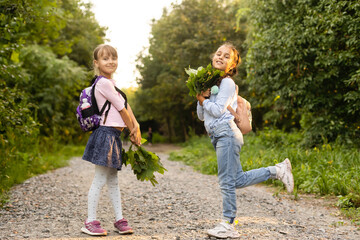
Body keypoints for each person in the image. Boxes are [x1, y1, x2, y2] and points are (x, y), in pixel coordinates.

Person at [196, 43, 294, 239]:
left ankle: (228, 224)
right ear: (212, 57)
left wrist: (203, 100)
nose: (221, 57)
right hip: (218, 135)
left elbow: (216, 110)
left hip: (227, 134)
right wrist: (202, 97)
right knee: (236, 180)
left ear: (231, 64)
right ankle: (278, 170)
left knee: (226, 182)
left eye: (226, 56)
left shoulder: (228, 83)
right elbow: (201, 115)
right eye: (218, 54)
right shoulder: (210, 84)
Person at [81, 44, 142, 236]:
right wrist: (133, 131)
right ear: (96, 63)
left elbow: (125, 104)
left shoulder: (112, 83)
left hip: (113, 136)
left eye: (113, 58)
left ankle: (119, 219)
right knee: (100, 179)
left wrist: (136, 125)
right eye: (105, 58)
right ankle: (90, 221)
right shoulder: (103, 83)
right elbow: (122, 110)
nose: (111, 61)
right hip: (105, 134)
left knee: (113, 180)